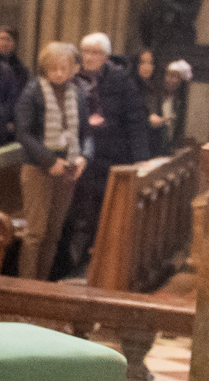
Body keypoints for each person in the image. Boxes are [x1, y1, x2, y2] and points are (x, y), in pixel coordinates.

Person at [58, 32, 146, 276]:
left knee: (103, 213)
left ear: (106, 56)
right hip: (79, 156)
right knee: (78, 213)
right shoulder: (73, 78)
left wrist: (141, 158)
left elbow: (135, 120)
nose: (89, 57)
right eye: (85, 51)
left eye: (95, 53)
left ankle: (95, 265)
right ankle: (72, 265)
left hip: (112, 157)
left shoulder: (122, 81)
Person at [14, 41, 89, 281]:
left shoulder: (78, 94)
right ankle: (26, 287)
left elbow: (86, 133)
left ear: (72, 69)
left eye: (63, 68)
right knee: (35, 233)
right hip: (38, 168)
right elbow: (23, 134)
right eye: (53, 68)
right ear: (44, 68)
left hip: (68, 168)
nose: (58, 73)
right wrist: (49, 161)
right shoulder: (32, 93)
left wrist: (84, 157)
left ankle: (42, 284)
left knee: (54, 233)